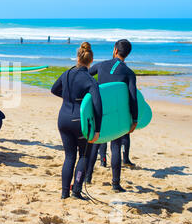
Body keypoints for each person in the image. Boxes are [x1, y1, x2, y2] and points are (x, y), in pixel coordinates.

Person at [51, 42, 102, 200]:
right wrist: (98, 130)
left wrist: (68, 98)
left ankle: (64, 193)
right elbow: (97, 106)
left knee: (69, 156)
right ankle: (77, 190)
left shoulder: (66, 73)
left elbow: (54, 89)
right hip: (79, 121)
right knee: (84, 156)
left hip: (63, 118)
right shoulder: (90, 80)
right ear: (91, 61)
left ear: (77, 57)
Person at [85, 39, 137, 193]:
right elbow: (133, 98)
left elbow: (86, 75)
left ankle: (88, 177)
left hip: (98, 111)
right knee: (115, 146)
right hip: (116, 114)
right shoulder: (129, 73)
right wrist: (134, 120)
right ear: (127, 54)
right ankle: (115, 184)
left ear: (115, 50)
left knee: (96, 142)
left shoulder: (101, 65)